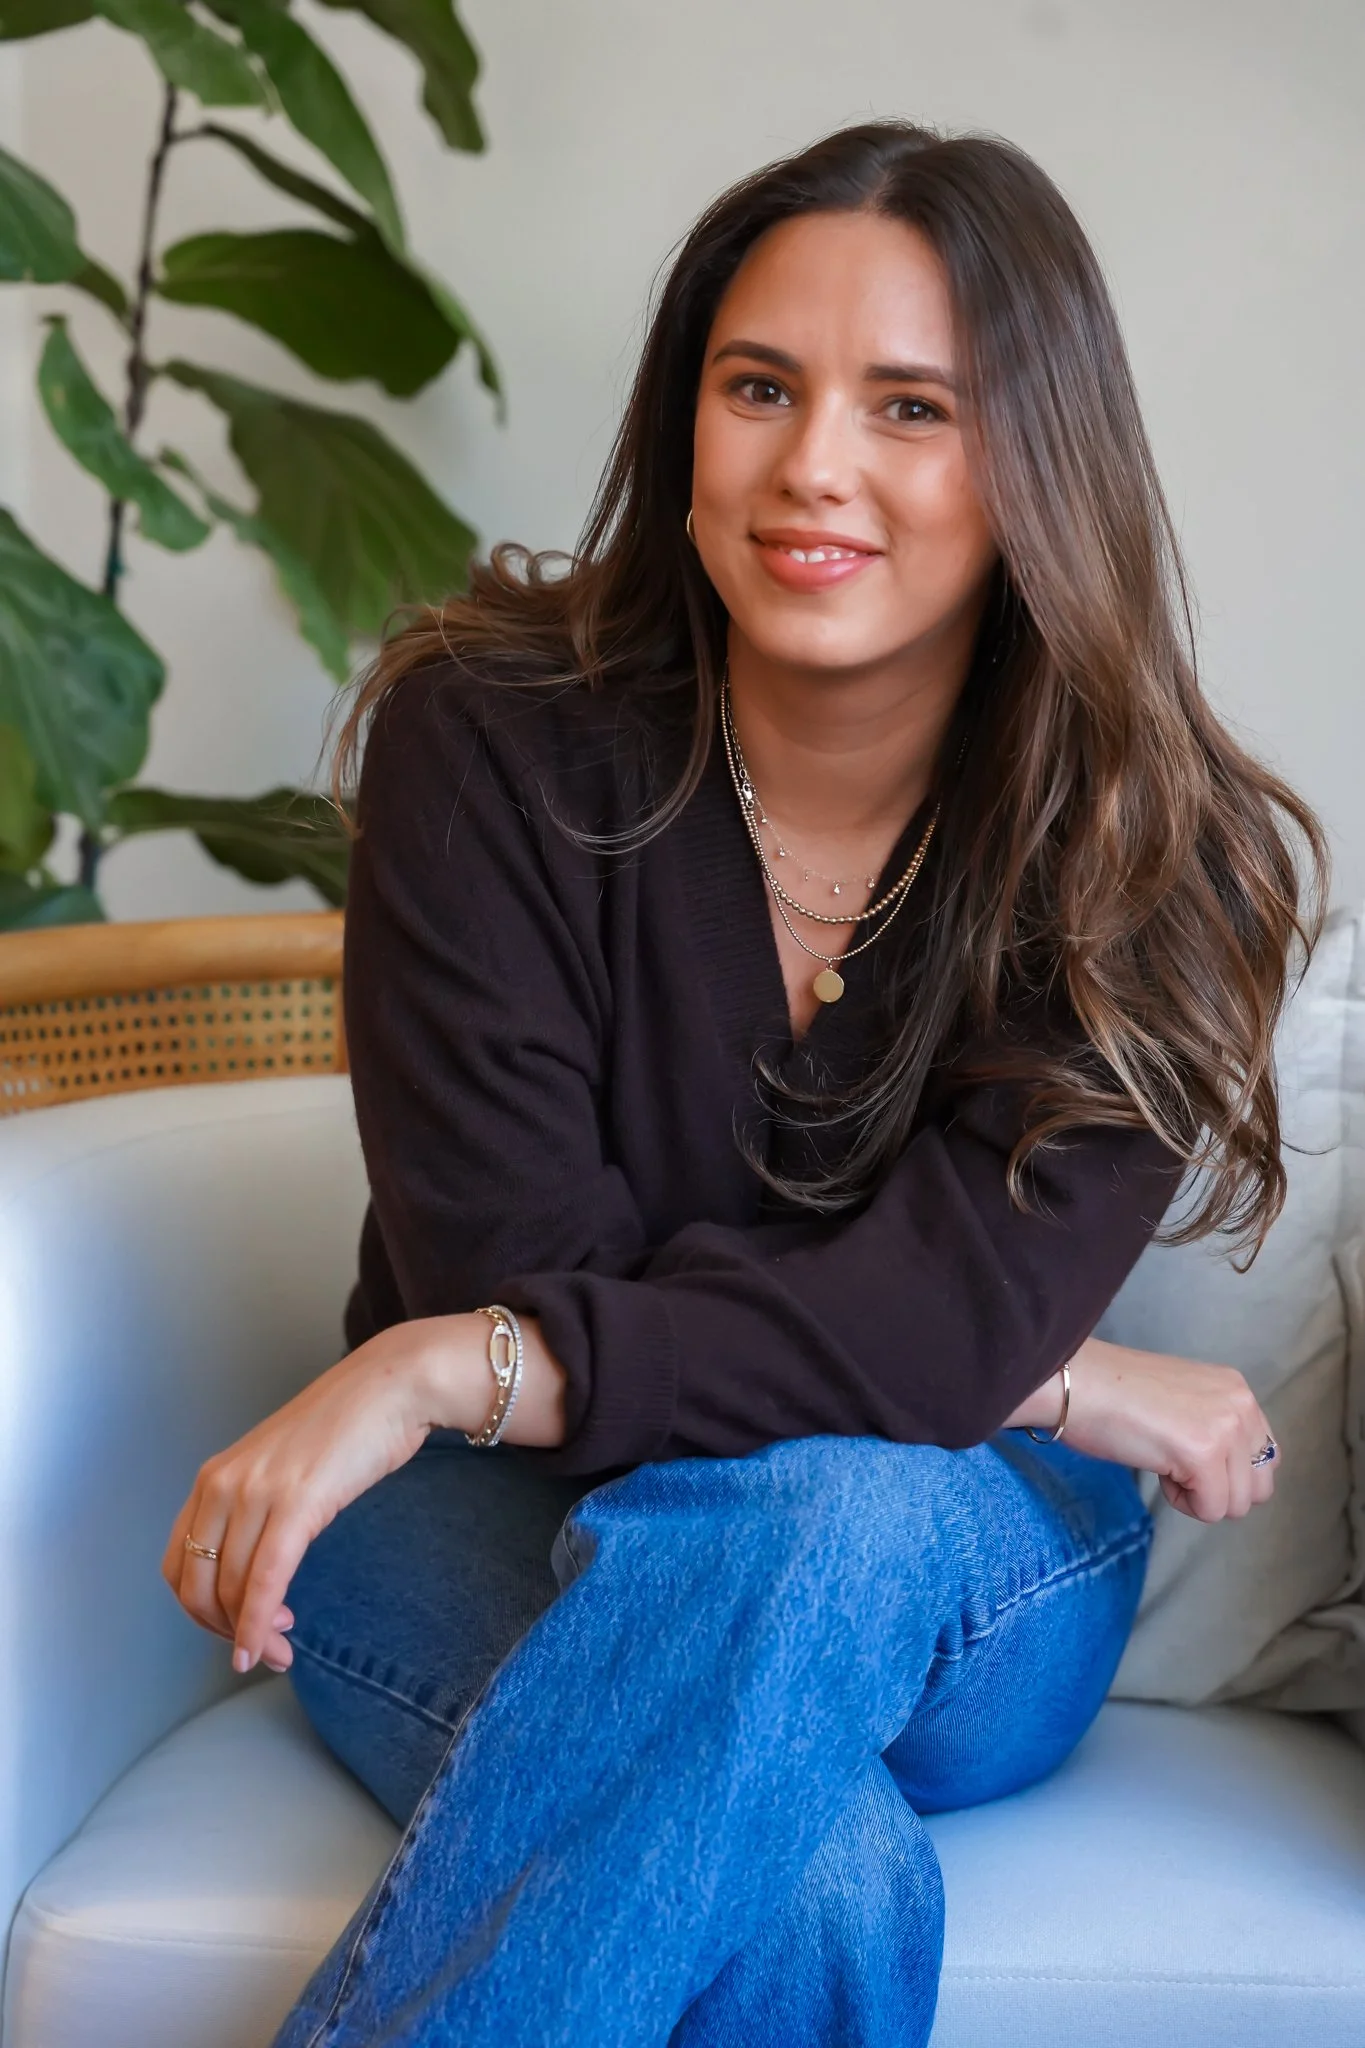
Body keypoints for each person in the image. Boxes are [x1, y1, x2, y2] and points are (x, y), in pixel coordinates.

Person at [163, 119, 1328, 2046]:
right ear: (683, 417)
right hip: (479, 1510)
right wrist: (1047, 1367)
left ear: (1041, 461)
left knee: (828, 1515)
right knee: (815, 1879)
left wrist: (446, 1364)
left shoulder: (1152, 854)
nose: (814, 467)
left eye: (912, 407)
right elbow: (527, 1256)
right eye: (760, 387)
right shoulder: (491, 741)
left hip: (963, 1543)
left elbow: (669, 1324)